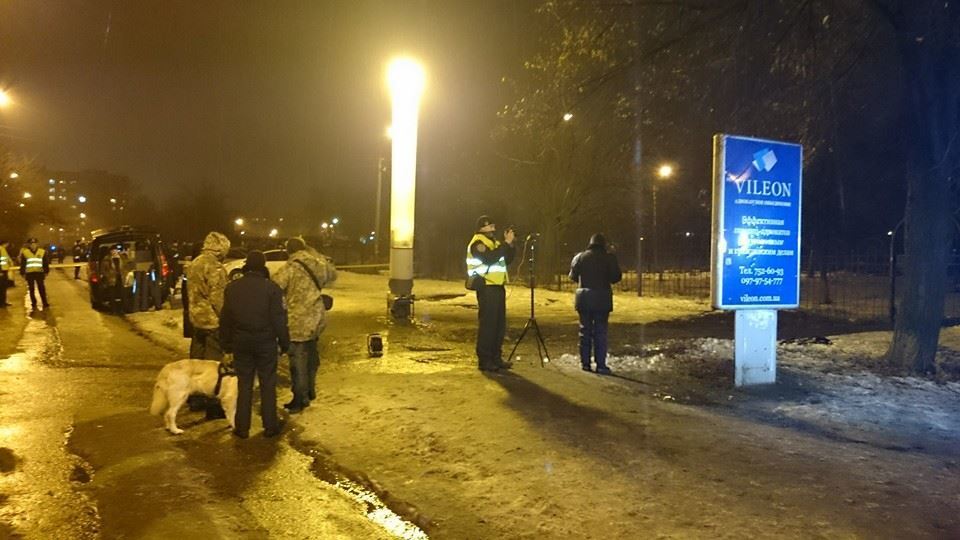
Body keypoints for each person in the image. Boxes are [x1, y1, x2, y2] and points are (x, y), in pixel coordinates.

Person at [220, 251, 290, 439]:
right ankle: (270, 426)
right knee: (268, 384)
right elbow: (278, 319)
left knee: (245, 385)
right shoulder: (272, 288)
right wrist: (284, 343)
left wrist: (226, 346)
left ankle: (242, 427)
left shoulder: (232, 288)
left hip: (241, 342)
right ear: (263, 266)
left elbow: (226, 319)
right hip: (265, 342)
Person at [272, 237, 337, 413]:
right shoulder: (319, 264)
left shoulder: (290, 268)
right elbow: (333, 274)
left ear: (288, 251)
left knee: (297, 359)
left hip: (298, 320)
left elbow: (274, 287)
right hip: (316, 317)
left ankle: (300, 398)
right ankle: (309, 390)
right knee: (311, 356)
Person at [466, 215, 516, 372]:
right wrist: (505, 244)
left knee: (498, 325)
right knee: (488, 325)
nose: (493, 229)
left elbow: (506, 259)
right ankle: (485, 359)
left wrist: (510, 245)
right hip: (486, 287)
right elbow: (489, 258)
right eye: (490, 226)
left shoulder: (494, 243)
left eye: (494, 226)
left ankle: (496, 357)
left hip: (497, 286)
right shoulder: (477, 243)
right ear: (482, 228)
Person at [569, 233, 622, 375]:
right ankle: (601, 365)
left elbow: (572, 276)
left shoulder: (579, 257)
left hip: (584, 299)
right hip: (602, 299)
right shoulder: (609, 258)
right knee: (600, 332)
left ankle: (585, 363)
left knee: (584, 331)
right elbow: (616, 277)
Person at [185, 231, 231, 360]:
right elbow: (218, 298)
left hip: (196, 318)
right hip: (212, 322)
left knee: (196, 363)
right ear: (220, 249)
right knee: (212, 366)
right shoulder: (214, 267)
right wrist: (227, 318)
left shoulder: (195, 263)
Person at [19, 238, 50, 309]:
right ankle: (33, 303)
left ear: (37, 244)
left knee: (41, 288)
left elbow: (45, 262)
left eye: (34, 244)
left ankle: (44, 302)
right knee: (31, 289)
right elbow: (23, 264)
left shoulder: (42, 252)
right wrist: (22, 272)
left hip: (39, 272)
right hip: (30, 273)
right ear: (29, 245)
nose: (33, 245)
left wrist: (46, 271)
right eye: (31, 244)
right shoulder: (25, 252)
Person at [0, 240, 12, 307]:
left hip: (4, 270)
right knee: (2, 288)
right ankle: (2, 303)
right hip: (2, 271)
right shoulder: (1, 249)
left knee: (3, 288)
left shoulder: (3, 249)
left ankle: (3, 302)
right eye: (7, 244)